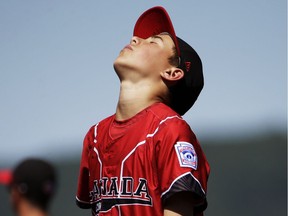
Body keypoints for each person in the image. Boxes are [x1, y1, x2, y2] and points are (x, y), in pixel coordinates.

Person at [76, 6, 210, 216]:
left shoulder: (171, 130)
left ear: (172, 73)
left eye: (153, 41)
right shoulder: (94, 136)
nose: (135, 39)